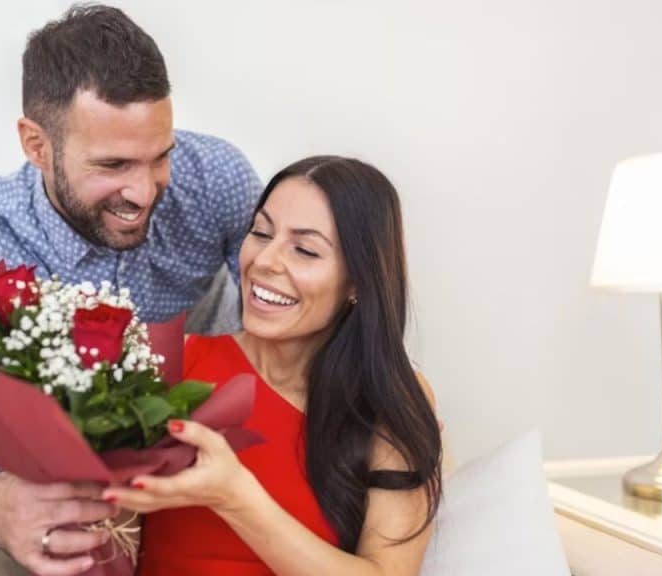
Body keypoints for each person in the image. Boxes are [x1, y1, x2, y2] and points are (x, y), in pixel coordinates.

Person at [0, 5, 261, 575]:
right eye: (113, 164)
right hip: (89, 468)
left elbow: (287, 297)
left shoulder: (216, 177)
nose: (143, 190)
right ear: (37, 146)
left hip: (217, 435)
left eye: (160, 156)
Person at [102, 156, 443, 575]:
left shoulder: (390, 399)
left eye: (304, 250)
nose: (265, 261)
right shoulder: (171, 363)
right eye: (261, 233)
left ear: (357, 281)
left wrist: (235, 497)